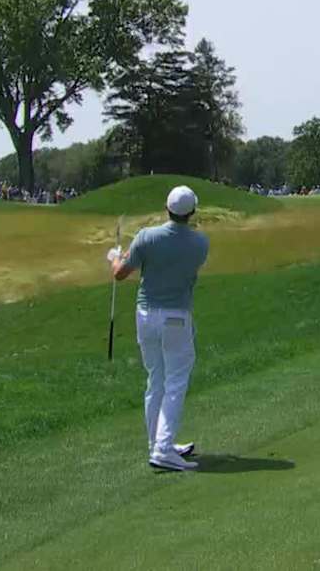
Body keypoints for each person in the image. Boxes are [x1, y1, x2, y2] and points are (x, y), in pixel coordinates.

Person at [110, 185, 210, 471]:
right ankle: (163, 448)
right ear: (192, 212)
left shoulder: (146, 237)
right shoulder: (200, 243)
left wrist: (114, 256)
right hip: (176, 317)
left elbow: (120, 273)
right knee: (175, 382)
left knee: (157, 380)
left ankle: (158, 443)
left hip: (146, 315)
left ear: (167, 208)